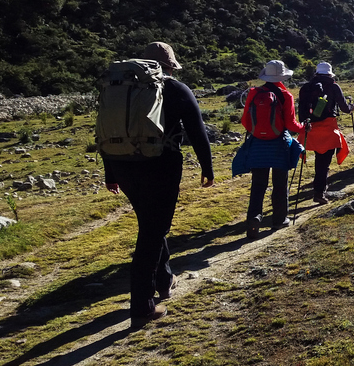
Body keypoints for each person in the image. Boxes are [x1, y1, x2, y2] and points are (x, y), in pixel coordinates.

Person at [102, 42, 214, 329]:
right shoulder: (176, 89)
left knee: (149, 222)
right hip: (160, 166)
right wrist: (207, 167)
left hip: (122, 165)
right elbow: (198, 132)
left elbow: (107, 129)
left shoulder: (118, 87)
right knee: (152, 233)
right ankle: (142, 307)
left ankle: (164, 280)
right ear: (168, 66)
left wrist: (110, 172)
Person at [240, 60, 305, 237]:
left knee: (258, 185)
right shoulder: (286, 96)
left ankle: (254, 219)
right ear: (282, 76)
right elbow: (291, 124)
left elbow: (245, 120)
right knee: (280, 183)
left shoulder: (253, 93)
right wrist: (303, 128)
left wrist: (259, 133)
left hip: (257, 146)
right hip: (278, 145)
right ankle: (279, 220)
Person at [298, 62, 354, 204]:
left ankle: (319, 190)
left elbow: (301, 109)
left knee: (319, 159)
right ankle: (319, 193)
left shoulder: (306, 87)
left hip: (311, 128)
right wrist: (351, 107)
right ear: (329, 74)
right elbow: (344, 108)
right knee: (324, 163)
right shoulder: (334, 86)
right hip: (328, 128)